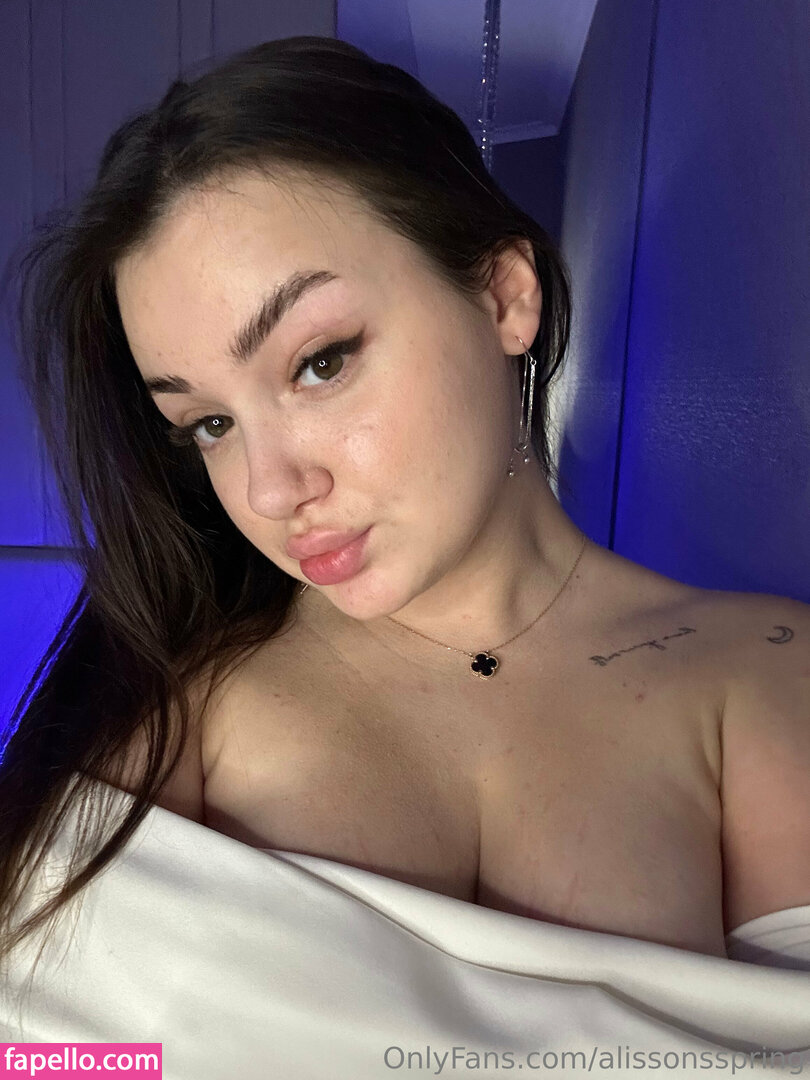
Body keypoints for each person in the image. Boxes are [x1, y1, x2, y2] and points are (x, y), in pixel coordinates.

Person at [1, 34, 809, 1076]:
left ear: (504, 297)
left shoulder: (764, 676)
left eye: (319, 362)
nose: (269, 491)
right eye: (208, 424)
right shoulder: (167, 699)